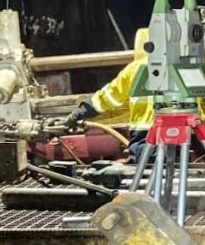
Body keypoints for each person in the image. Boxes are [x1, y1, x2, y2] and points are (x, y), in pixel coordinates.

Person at [65, 28, 153, 163]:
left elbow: (109, 96)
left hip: (145, 134)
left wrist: (81, 111)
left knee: (145, 172)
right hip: (179, 134)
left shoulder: (135, 68)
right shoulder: (182, 67)